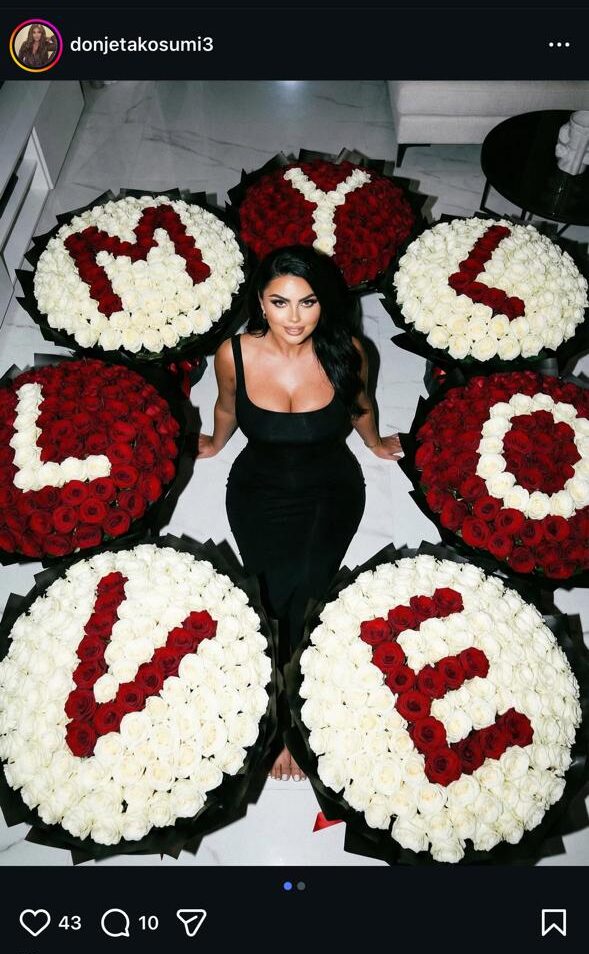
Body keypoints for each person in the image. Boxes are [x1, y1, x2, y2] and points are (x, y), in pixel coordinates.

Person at [197, 246, 402, 780]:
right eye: (279, 302)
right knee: (264, 597)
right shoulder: (234, 354)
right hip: (257, 488)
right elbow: (226, 405)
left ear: (324, 303)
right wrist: (215, 442)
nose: (294, 318)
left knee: (309, 592)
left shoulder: (348, 351)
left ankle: (291, 727)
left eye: (307, 302)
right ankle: (278, 718)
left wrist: (375, 442)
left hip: (328, 490)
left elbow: (360, 406)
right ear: (260, 303)